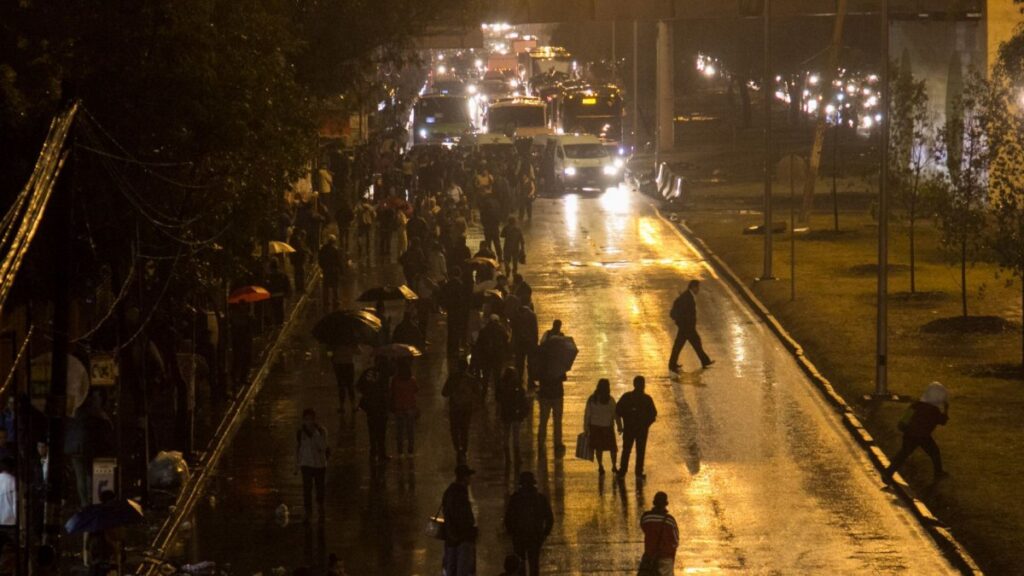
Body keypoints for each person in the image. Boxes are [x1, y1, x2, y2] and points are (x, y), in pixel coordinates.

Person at [884, 381, 950, 483]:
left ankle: (889, 472)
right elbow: (943, 421)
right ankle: (938, 472)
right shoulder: (934, 411)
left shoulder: (915, 405)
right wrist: (946, 409)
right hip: (923, 436)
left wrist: (903, 425)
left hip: (909, 434)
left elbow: (905, 418)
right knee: (934, 452)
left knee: (903, 454)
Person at [504, 471, 554, 576]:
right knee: (534, 565)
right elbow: (549, 518)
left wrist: (512, 533)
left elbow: (508, 518)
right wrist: (544, 534)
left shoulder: (516, 499)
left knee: (520, 565)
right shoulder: (540, 498)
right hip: (535, 537)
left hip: (519, 537)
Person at [668, 279, 713, 372]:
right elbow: (685, 313)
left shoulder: (688, 296)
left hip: (686, 327)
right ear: (693, 287)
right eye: (697, 288)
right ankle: (705, 361)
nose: (698, 290)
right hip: (686, 327)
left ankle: (705, 361)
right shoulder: (687, 298)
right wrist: (682, 323)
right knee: (692, 344)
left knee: (691, 344)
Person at [617, 376, 657, 479]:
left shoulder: (627, 397)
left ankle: (622, 471)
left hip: (629, 428)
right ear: (643, 385)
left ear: (634, 384)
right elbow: (653, 415)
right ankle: (638, 473)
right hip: (642, 430)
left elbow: (618, 410)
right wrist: (646, 424)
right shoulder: (647, 399)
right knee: (640, 451)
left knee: (626, 450)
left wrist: (623, 421)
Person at [441, 464, 478, 576]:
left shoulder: (449, 491)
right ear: (465, 477)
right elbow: (463, 517)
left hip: (451, 538)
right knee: (463, 569)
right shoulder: (460, 493)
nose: (470, 479)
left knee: (450, 568)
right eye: (469, 476)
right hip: (462, 538)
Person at [295, 409, 329, 522]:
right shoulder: (300, 432)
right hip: (306, 464)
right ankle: (308, 511)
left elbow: (323, 447)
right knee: (307, 489)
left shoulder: (321, 431)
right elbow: (299, 449)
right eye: (306, 419)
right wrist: (297, 464)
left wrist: (315, 434)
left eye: (311, 419)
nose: (309, 422)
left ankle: (320, 507)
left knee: (320, 488)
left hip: (319, 465)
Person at [584, 379, 622, 475]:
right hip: (607, 427)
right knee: (612, 448)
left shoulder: (592, 399)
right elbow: (615, 414)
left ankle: (600, 465)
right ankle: (614, 465)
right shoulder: (610, 400)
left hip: (595, 427)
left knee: (598, 448)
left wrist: (586, 428)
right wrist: (619, 426)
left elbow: (587, 414)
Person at [443, 358, 477, 464]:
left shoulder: (453, 378)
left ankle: (458, 449)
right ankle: (464, 450)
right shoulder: (471, 379)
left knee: (454, 429)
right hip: (467, 408)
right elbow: (477, 392)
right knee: (464, 429)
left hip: (455, 408)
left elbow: (444, 392)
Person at [640, 492, 680, 575]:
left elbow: (644, 528)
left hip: (650, 555)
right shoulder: (670, 520)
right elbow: (675, 540)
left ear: (654, 503)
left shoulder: (646, 518)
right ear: (666, 504)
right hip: (666, 556)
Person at [358, 365, 390, 464]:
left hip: (371, 407)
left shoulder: (367, 372)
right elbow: (386, 389)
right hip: (381, 406)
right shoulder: (384, 374)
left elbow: (359, 386)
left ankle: (373, 453)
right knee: (381, 432)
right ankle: (381, 453)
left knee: (372, 431)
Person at [498, 367, 529, 465]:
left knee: (506, 435)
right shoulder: (518, 388)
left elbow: (498, 399)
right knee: (515, 436)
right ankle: (516, 456)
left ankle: (508, 457)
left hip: (506, 413)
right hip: (515, 413)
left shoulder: (502, 387)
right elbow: (523, 401)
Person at [390, 361, 418, 457]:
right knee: (410, 430)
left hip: (399, 408)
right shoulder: (412, 380)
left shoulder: (395, 380)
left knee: (399, 431)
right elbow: (416, 390)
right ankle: (410, 450)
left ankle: (400, 451)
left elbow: (392, 392)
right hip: (410, 407)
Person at [331, 342, 358, 415]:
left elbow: (331, 353)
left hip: (339, 364)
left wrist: (333, 359)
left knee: (341, 386)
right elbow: (357, 351)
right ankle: (353, 406)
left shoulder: (335, 342)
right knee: (350, 386)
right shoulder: (350, 341)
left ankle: (342, 406)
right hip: (348, 364)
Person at [318, 235, 342, 311]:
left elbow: (320, 259)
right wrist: (341, 270)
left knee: (326, 287)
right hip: (334, 271)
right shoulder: (335, 250)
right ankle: (335, 300)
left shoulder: (323, 249)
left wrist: (323, 267)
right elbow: (338, 261)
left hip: (326, 270)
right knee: (335, 287)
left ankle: (326, 301)